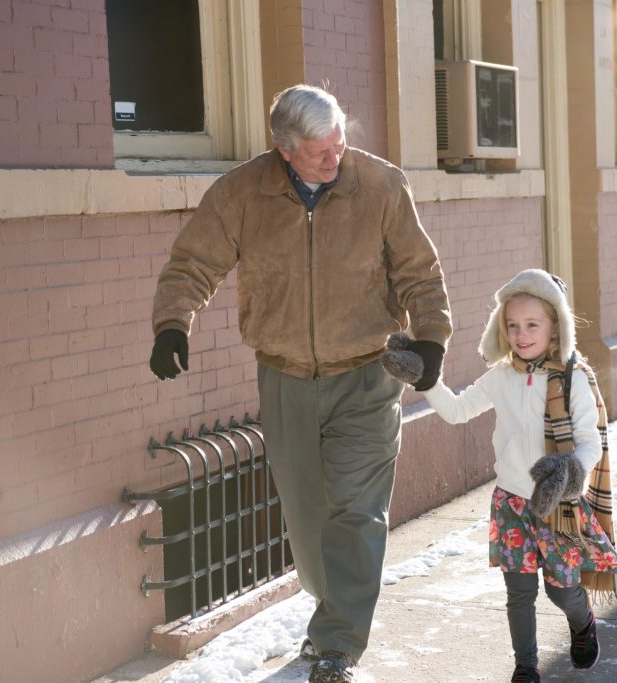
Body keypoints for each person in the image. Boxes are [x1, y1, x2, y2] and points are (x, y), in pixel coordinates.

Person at [149, 84, 452, 683]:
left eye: (339, 143)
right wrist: (171, 324)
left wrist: (432, 340)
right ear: (284, 149)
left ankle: (338, 644)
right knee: (308, 515)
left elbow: (420, 272)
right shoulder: (243, 192)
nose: (333, 158)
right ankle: (331, 605)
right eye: (318, 151)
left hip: (367, 374)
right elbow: (194, 262)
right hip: (285, 376)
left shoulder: (382, 186)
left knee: (357, 511)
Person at [382, 268, 617, 683]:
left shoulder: (572, 381)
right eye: (512, 325)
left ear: (555, 328)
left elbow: (590, 442)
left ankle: (582, 623)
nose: (521, 334)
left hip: (558, 501)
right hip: (511, 500)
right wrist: (425, 378)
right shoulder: (501, 376)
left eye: (532, 324)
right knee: (519, 592)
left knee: (561, 589)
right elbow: (457, 410)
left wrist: (570, 474)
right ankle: (525, 667)